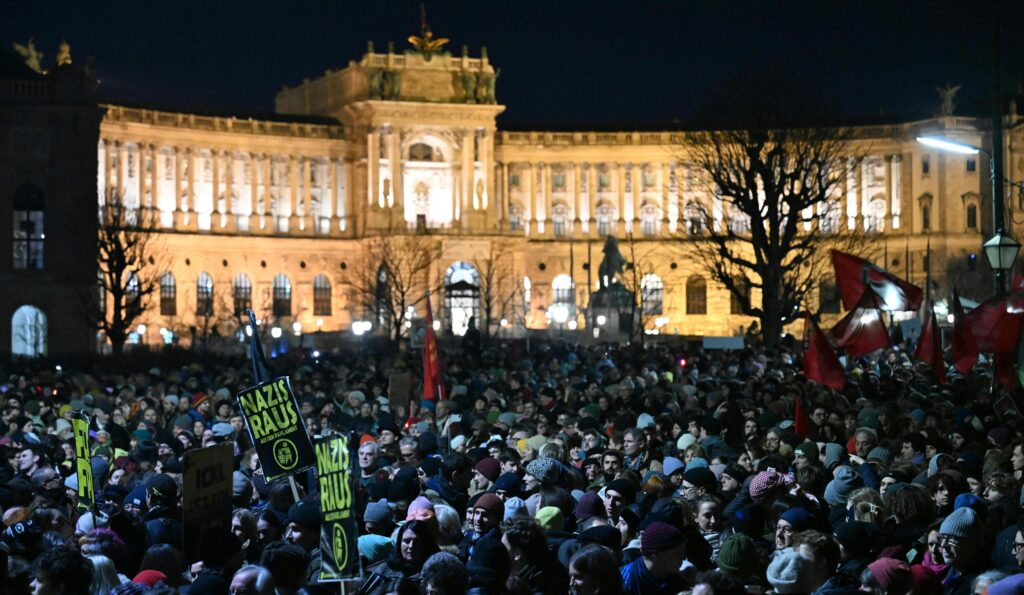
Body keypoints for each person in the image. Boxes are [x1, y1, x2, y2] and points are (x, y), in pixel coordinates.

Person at [360, 520, 440, 594]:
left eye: (417, 542)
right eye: (406, 541)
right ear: (399, 543)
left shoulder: (435, 572)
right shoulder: (385, 570)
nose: (411, 546)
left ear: (425, 544)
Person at [620, 521, 688, 595]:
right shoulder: (623, 582)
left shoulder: (678, 580)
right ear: (654, 555)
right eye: (677, 553)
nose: (684, 558)